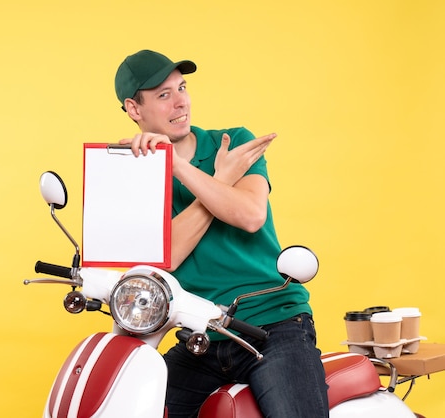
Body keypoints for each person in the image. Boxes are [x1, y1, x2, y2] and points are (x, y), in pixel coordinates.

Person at [114, 49, 329, 417]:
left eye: (182, 88)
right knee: (130, 403)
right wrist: (219, 181)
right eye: (164, 95)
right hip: (200, 335)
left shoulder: (232, 142)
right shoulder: (134, 173)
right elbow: (166, 259)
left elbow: (249, 215)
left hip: (272, 324)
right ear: (135, 109)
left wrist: (180, 168)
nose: (181, 101)